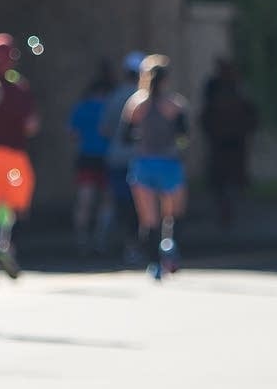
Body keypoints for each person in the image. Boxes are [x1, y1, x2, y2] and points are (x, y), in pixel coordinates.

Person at [123, 54, 191, 280]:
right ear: (167, 79)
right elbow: (184, 137)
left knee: (148, 219)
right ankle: (170, 252)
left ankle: (155, 265)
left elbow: (125, 137)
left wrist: (142, 138)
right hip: (169, 164)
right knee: (172, 215)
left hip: (143, 164)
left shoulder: (135, 104)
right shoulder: (175, 105)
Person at [0, 33, 39, 281]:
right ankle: (7, 249)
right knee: (14, 211)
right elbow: (31, 126)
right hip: (14, 160)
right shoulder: (20, 88)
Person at [200, 58, 260, 230]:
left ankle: (229, 209)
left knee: (229, 178)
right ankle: (225, 210)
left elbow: (250, 112)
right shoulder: (215, 88)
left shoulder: (237, 88)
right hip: (222, 140)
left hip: (233, 140)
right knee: (221, 179)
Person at [69, 62, 118, 253]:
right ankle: (101, 237)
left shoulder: (81, 107)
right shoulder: (109, 107)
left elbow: (72, 134)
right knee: (107, 200)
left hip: (86, 157)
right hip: (107, 158)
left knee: (85, 199)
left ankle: (81, 237)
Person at [101, 51, 146, 258]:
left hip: (117, 157)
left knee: (120, 202)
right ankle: (137, 244)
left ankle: (112, 241)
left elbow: (105, 129)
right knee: (142, 204)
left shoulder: (114, 96)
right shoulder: (145, 100)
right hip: (141, 159)